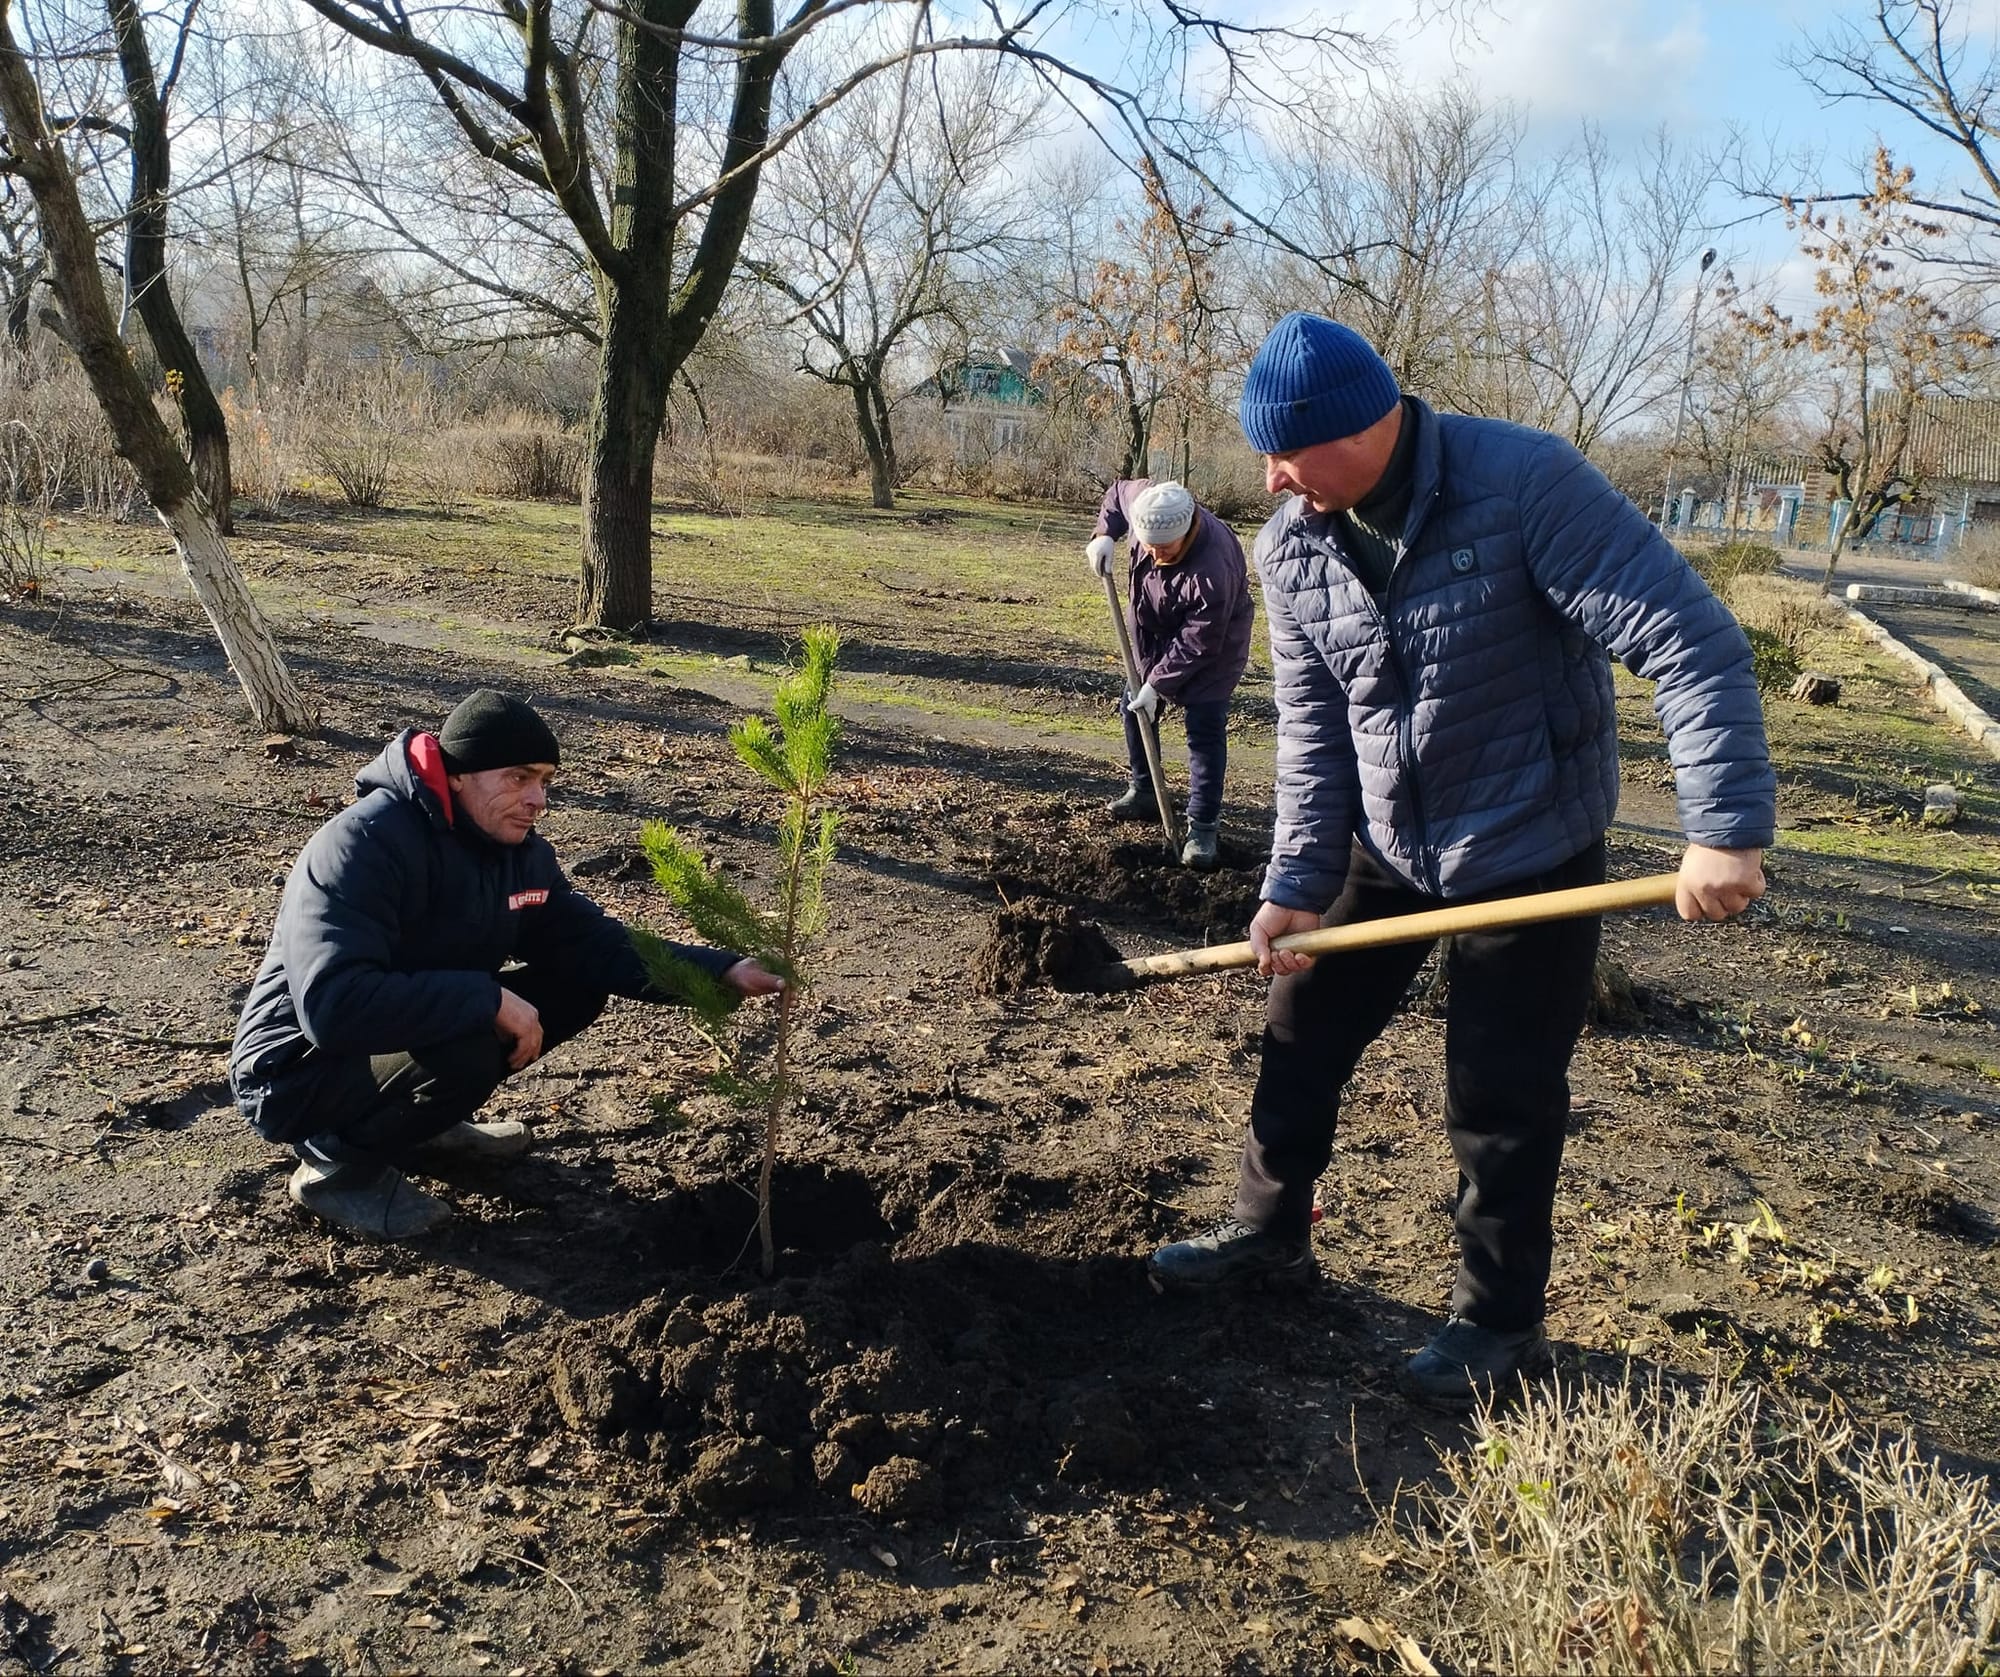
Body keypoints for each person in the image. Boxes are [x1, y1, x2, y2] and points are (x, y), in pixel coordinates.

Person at [1146, 313, 1774, 1404]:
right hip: (1386, 837)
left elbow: (1685, 638)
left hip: (1528, 836)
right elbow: (1312, 728)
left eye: (1287, 450)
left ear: (1363, 423)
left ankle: (1496, 1324)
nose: (1271, 474)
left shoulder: (1523, 482)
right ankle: (1267, 1236)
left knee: (1499, 1094)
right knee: (1297, 1039)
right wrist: (1294, 885)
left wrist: (1720, 826)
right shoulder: (1291, 542)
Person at [230, 689, 782, 1241]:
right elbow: (335, 1006)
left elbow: (587, 941)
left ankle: (419, 1126)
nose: (538, 798)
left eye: (544, 780)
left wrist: (723, 970)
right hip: (294, 1071)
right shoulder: (364, 843)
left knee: (574, 987)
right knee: (467, 1041)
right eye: (519, 777)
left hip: (383, 1044)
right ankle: (336, 1167)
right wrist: (488, 999)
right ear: (457, 775)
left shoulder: (517, 853)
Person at [1086, 478, 1254, 870]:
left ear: (1187, 531)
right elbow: (1116, 494)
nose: (1154, 553)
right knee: (1133, 707)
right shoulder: (1146, 502)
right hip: (1152, 633)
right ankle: (1144, 789)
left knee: (1205, 730)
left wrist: (1158, 684)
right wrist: (1105, 535)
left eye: (1164, 548)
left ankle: (1203, 828)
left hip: (1214, 650)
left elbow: (1200, 641)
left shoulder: (1214, 566)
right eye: (1148, 545)